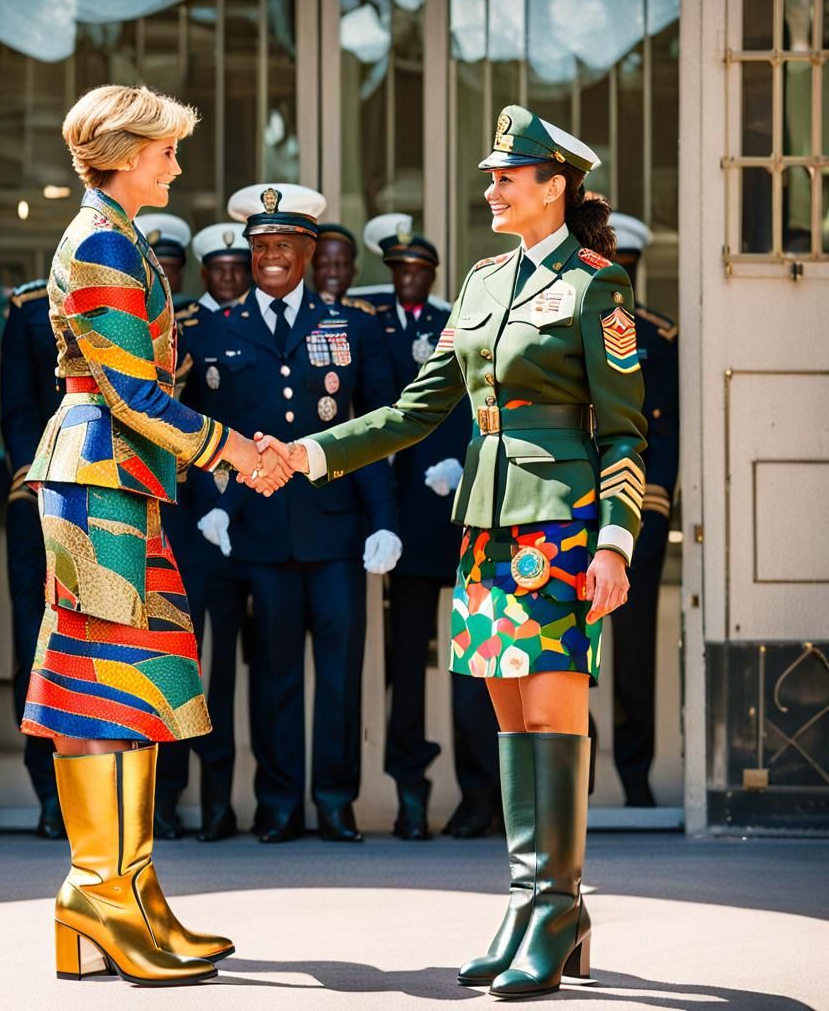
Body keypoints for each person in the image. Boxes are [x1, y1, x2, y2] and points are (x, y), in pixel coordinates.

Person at [259, 105, 646, 997]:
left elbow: (625, 434)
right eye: (492, 176)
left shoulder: (597, 288)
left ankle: (558, 905)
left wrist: (616, 544)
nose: (492, 189)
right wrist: (311, 453)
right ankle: (530, 903)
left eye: (508, 177)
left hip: (561, 521)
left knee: (551, 715)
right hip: (485, 522)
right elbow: (417, 409)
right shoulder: (477, 283)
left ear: (556, 187)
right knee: (509, 717)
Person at [19, 83, 289, 986]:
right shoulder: (100, 238)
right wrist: (230, 451)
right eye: (167, 149)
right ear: (130, 152)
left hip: (119, 478)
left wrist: (214, 450)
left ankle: (127, 889)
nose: (176, 163)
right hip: (99, 474)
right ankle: (98, 888)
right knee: (101, 683)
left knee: (139, 679)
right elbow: (132, 391)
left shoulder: (118, 233)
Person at [184, 183, 403, 843]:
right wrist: (216, 507)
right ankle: (278, 804)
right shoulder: (217, 330)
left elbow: (375, 430)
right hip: (258, 532)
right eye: (261, 246)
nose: (271, 257)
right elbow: (204, 432)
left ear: (309, 251)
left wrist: (386, 519)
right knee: (274, 677)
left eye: (285, 245)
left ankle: (336, 801)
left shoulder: (351, 326)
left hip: (337, 531)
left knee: (339, 677)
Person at [360, 213, 502, 841]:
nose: (411, 280)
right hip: (404, 522)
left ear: (435, 277)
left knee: (473, 664)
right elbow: (376, 413)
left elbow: (481, 401)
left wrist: (464, 461)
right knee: (406, 673)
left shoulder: (461, 321)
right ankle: (410, 791)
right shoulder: (372, 326)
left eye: (420, 271)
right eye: (400, 272)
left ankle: (480, 793)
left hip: (460, 513)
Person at [155, 219, 255, 842]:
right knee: (174, 668)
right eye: (215, 269)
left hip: (242, 517)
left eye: (235, 269)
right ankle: (166, 797)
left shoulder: (256, 326)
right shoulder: (181, 328)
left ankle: (219, 801)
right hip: (186, 518)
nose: (226, 278)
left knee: (223, 675)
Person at [608, 210, 679, 807]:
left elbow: (667, 436)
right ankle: (567, 784)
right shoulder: (572, 324)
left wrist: (651, 516)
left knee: (634, 659)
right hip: (574, 516)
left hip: (637, 518)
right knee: (565, 658)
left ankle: (635, 780)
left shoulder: (659, 337)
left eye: (628, 270)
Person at [0, 278, 65, 839]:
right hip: (40, 500)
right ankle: (49, 791)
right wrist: (36, 477)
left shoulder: (130, 294)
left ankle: (103, 787)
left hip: (113, 500)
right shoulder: (28, 311)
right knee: (38, 646)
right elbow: (18, 410)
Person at [134, 212, 193, 310]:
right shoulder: (130, 313)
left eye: (170, 269)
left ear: (181, 272)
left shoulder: (197, 315)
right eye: (153, 270)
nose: (162, 277)